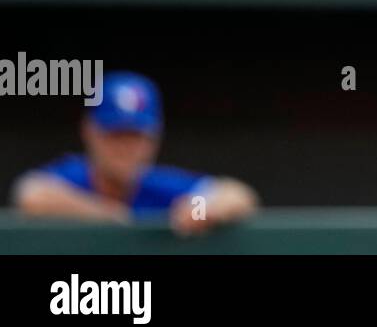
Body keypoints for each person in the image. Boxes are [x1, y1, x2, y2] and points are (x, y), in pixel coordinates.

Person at [11, 72, 259, 236]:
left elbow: (236, 194)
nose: (126, 149)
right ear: (90, 131)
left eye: (136, 136)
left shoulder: (155, 184)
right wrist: (109, 215)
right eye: (116, 134)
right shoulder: (76, 174)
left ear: (155, 138)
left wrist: (199, 210)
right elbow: (31, 194)